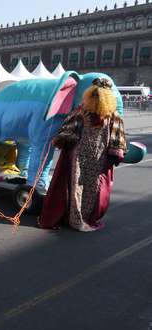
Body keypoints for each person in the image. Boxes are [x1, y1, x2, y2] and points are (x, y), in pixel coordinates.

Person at [38, 78, 127, 232]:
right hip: (89, 158)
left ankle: (74, 217)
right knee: (84, 188)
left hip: (86, 158)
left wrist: (62, 140)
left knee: (79, 187)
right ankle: (79, 218)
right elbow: (117, 143)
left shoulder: (86, 112)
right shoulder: (106, 115)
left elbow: (65, 133)